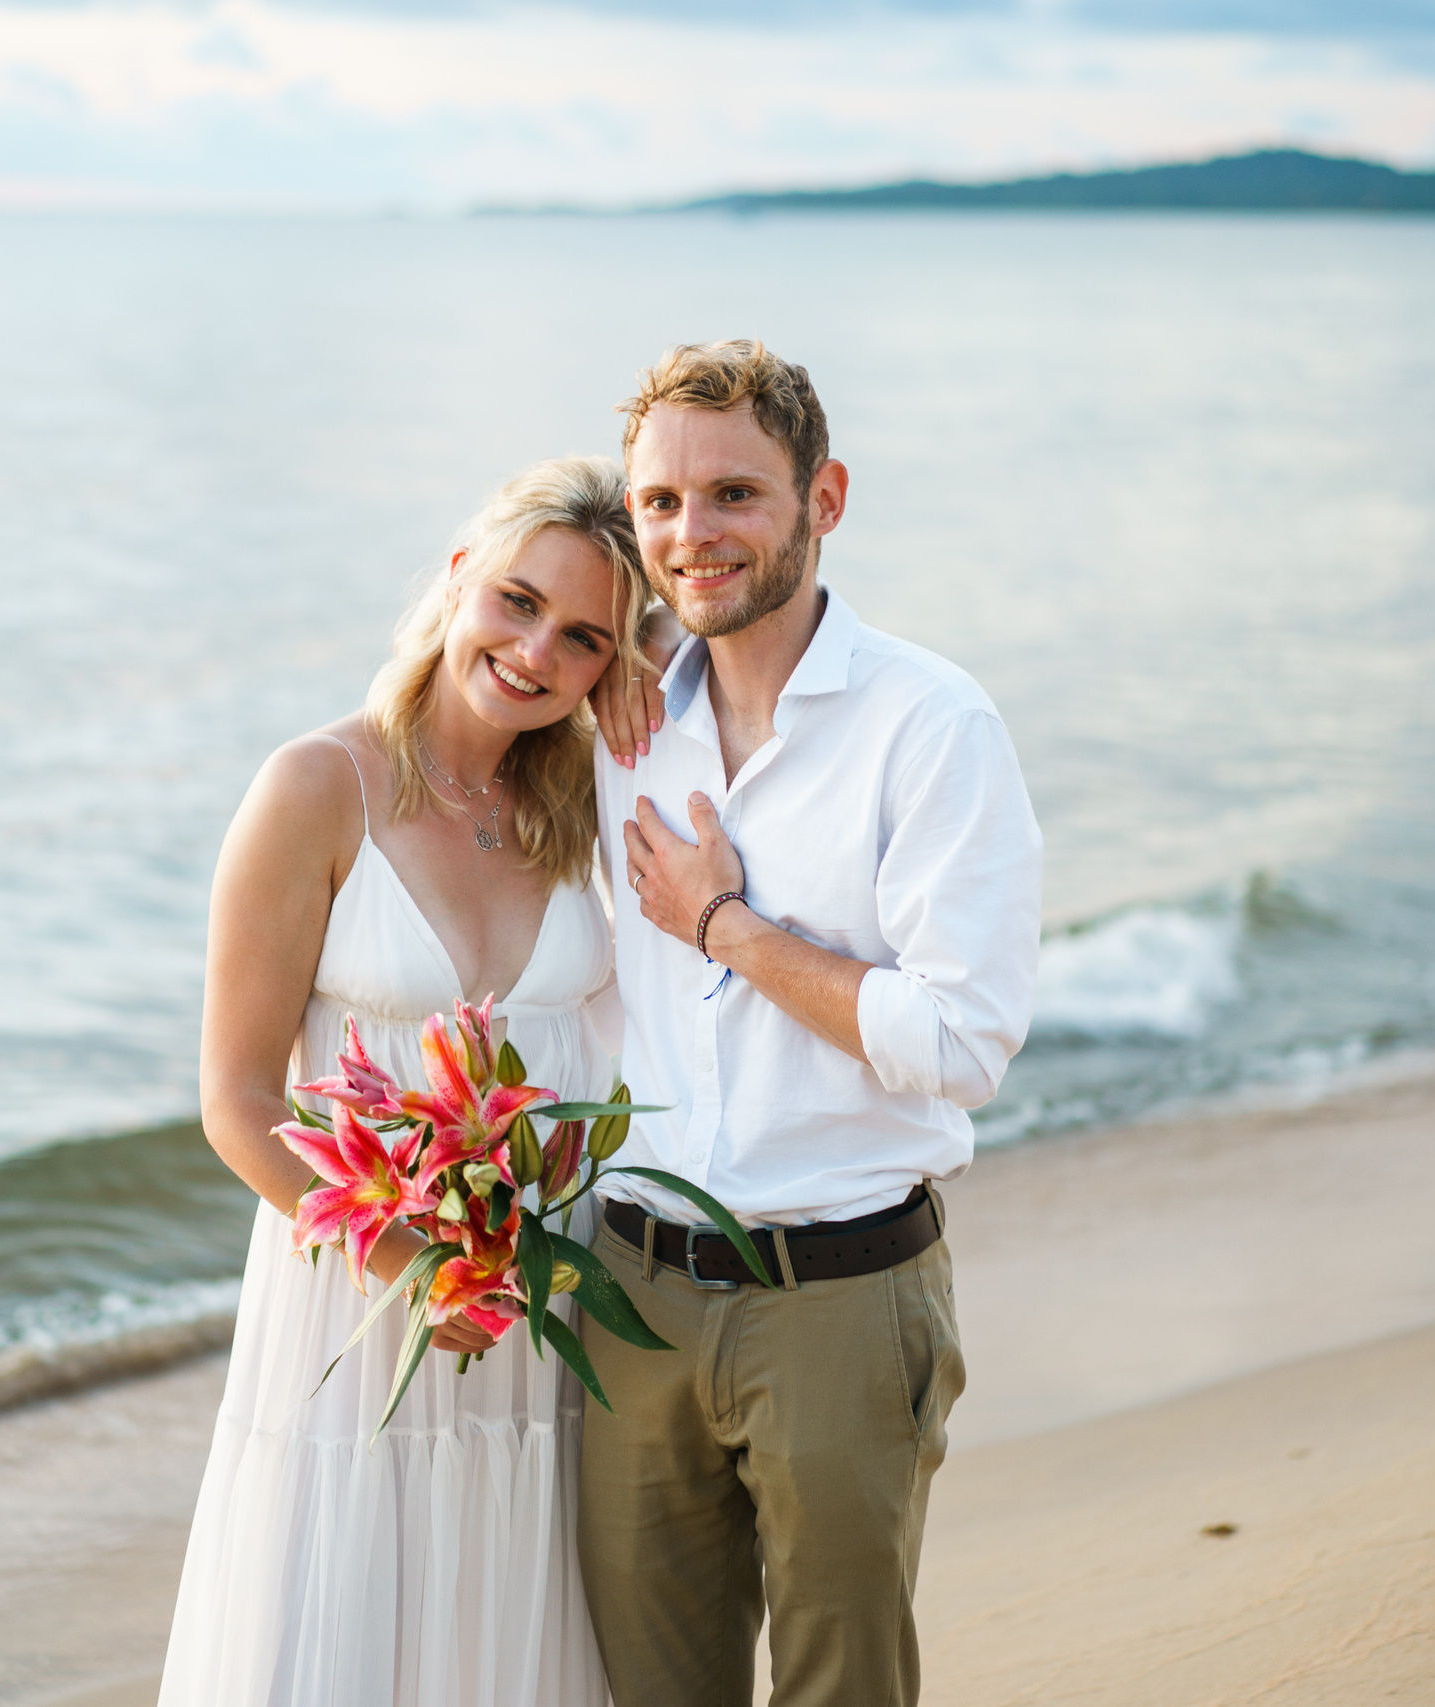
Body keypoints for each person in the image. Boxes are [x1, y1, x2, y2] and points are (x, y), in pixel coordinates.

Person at [578, 341, 1045, 1707]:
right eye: (658, 504)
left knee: (844, 1689)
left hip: (839, 1294)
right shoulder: (614, 718)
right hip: (634, 1297)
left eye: (735, 493)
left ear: (822, 498)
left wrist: (729, 928)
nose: (693, 533)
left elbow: (964, 1041)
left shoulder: (931, 724)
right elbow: (474, 628)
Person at [158, 455, 655, 1707]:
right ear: (455, 580)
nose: (537, 652)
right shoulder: (317, 787)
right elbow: (236, 1098)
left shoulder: (584, 809)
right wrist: (421, 1271)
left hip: (544, 1298)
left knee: (510, 1621)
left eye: (586, 638)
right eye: (517, 601)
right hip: (363, 1300)